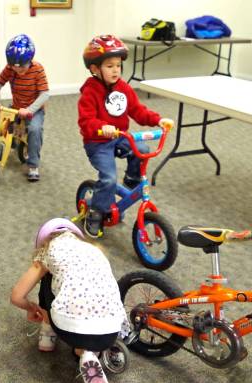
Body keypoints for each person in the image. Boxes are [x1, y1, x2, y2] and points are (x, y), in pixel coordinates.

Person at [10, 218, 126, 383]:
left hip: (68, 328)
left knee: (49, 280)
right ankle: (87, 353)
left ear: (43, 241)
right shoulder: (94, 251)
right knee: (90, 287)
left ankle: (47, 335)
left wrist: (31, 307)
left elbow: (16, 296)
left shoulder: (48, 251)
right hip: (111, 330)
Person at [78, 34, 174, 238]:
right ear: (95, 69)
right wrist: (102, 127)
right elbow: (86, 122)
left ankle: (131, 179)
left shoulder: (124, 88)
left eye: (118, 65)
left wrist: (158, 120)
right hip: (98, 143)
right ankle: (95, 212)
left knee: (143, 150)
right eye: (109, 66)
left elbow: (138, 110)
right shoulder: (90, 92)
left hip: (120, 137)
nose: (115, 70)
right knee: (109, 179)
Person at [0, 34, 49, 182]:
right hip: (16, 107)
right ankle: (9, 143)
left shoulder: (38, 69)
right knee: (5, 126)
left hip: (34, 109)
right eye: (14, 66)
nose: (18, 69)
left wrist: (30, 110)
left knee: (34, 130)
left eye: (22, 66)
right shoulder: (11, 68)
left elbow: (44, 94)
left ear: (30, 60)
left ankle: (33, 165)